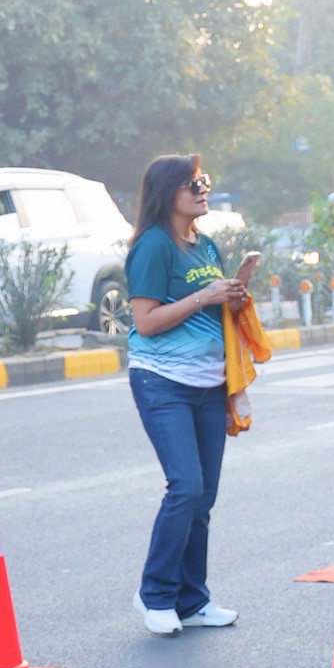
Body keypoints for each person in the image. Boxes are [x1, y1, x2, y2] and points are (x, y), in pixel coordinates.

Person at [125, 153, 250, 636]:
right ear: (167, 193)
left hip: (208, 383)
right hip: (162, 382)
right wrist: (204, 297)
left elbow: (212, 311)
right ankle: (155, 594)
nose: (203, 190)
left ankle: (193, 600)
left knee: (204, 496)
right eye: (192, 184)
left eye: (204, 181)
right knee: (186, 487)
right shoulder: (154, 246)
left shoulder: (206, 245)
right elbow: (145, 322)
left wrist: (232, 297)